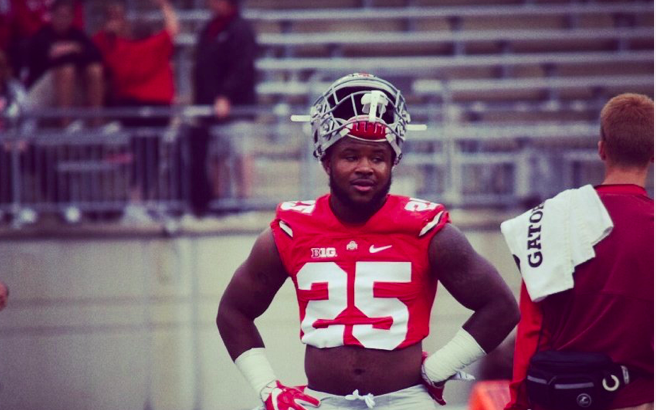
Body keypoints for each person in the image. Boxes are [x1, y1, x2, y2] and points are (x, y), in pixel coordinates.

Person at [217, 73, 519, 410]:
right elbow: (233, 311)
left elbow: (502, 308)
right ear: (326, 160)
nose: (365, 167)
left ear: (393, 163)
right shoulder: (292, 229)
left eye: (377, 158)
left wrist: (437, 370)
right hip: (321, 400)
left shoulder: (427, 229)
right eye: (350, 156)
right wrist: (267, 387)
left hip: (406, 400)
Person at [503, 93, 654, 410]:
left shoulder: (555, 218)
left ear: (601, 148)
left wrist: (518, 402)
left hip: (561, 398)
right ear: (652, 154)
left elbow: (533, 327)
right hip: (638, 399)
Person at [93, 0, 179, 223]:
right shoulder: (155, 46)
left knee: (142, 156)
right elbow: (173, 29)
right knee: (150, 157)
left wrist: (109, 30)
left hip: (129, 111)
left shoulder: (120, 47)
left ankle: (140, 202)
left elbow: (98, 45)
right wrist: (165, 6)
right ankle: (138, 201)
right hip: (156, 111)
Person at [189, 0, 257, 216]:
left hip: (237, 107)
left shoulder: (241, 29)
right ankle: (218, 201)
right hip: (210, 107)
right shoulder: (209, 28)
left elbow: (243, 66)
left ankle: (244, 200)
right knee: (217, 155)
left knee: (240, 151)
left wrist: (226, 96)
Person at [24, 0, 103, 128]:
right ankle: (66, 124)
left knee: (94, 70)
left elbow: (95, 56)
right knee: (66, 69)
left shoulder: (77, 35)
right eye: (59, 15)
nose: (62, 20)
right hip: (39, 96)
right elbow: (51, 56)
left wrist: (70, 49)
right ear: (52, 15)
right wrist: (74, 49)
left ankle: (96, 122)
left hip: (70, 92)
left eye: (66, 16)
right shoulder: (42, 35)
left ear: (72, 17)